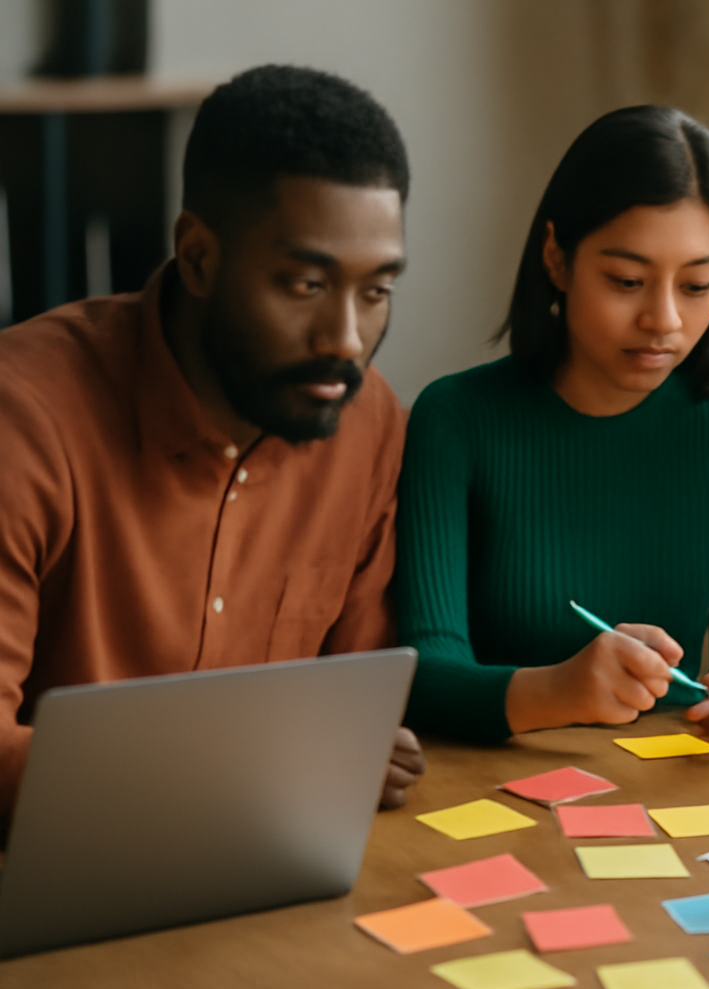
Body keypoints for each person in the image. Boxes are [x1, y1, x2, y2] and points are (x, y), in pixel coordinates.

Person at [0, 66, 428, 818]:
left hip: (275, 872)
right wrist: (257, 765)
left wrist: (357, 749)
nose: (347, 340)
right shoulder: (24, 420)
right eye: (306, 286)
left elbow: (361, 712)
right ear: (198, 256)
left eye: (376, 291)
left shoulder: (367, 422)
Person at [397, 106, 709, 751]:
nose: (663, 320)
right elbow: (424, 671)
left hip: (669, 795)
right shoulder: (456, 420)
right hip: (488, 788)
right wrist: (556, 690)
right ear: (557, 257)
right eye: (627, 281)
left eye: (697, 285)